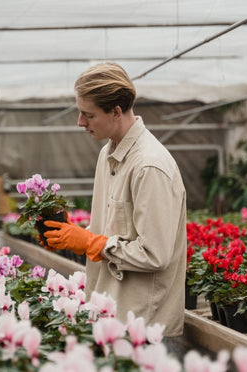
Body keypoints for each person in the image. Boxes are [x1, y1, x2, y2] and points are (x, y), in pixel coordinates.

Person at [42, 62, 188, 337]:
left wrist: (91, 243)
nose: (80, 122)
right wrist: (70, 235)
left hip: (143, 327)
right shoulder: (108, 155)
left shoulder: (149, 166)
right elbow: (113, 233)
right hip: (110, 313)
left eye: (88, 114)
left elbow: (155, 255)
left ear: (116, 112)